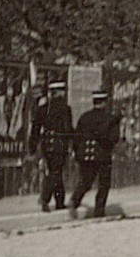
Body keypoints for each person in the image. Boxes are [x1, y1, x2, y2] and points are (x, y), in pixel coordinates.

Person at [69, 89, 122, 218]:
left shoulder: (84, 117)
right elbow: (113, 139)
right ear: (105, 102)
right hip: (102, 155)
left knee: (86, 181)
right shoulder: (110, 118)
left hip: (85, 154)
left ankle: (75, 200)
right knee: (104, 184)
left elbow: (77, 138)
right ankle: (99, 211)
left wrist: (77, 153)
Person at [32, 87, 73, 212]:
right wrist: (72, 144)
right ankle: (45, 199)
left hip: (47, 145)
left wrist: (32, 146)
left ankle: (59, 202)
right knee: (56, 173)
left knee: (55, 172)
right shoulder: (65, 109)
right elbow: (67, 129)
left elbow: (35, 128)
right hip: (59, 145)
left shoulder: (43, 108)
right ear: (59, 93)